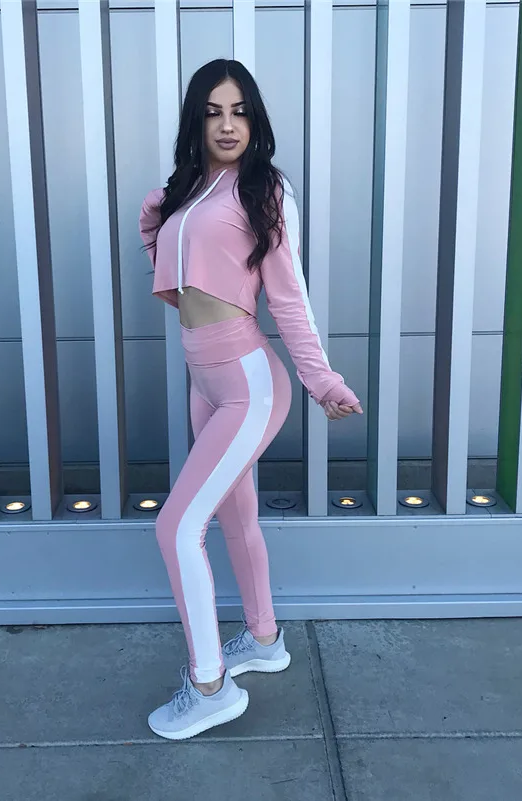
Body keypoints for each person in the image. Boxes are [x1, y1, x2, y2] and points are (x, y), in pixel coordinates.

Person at [139, 59, 362, 741]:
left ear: (254, 118)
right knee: (236, 519)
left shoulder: (265, 189)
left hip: (247, 383)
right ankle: (263, 638)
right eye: (213, 112)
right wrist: (157, 222)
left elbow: (288, 297)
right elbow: (180, 278)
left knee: (176, 527)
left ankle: (209, 685)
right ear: (196, 121)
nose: (227, 124)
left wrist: (323, 380)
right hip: (203, 379)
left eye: (239, 111)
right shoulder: (191, 189)